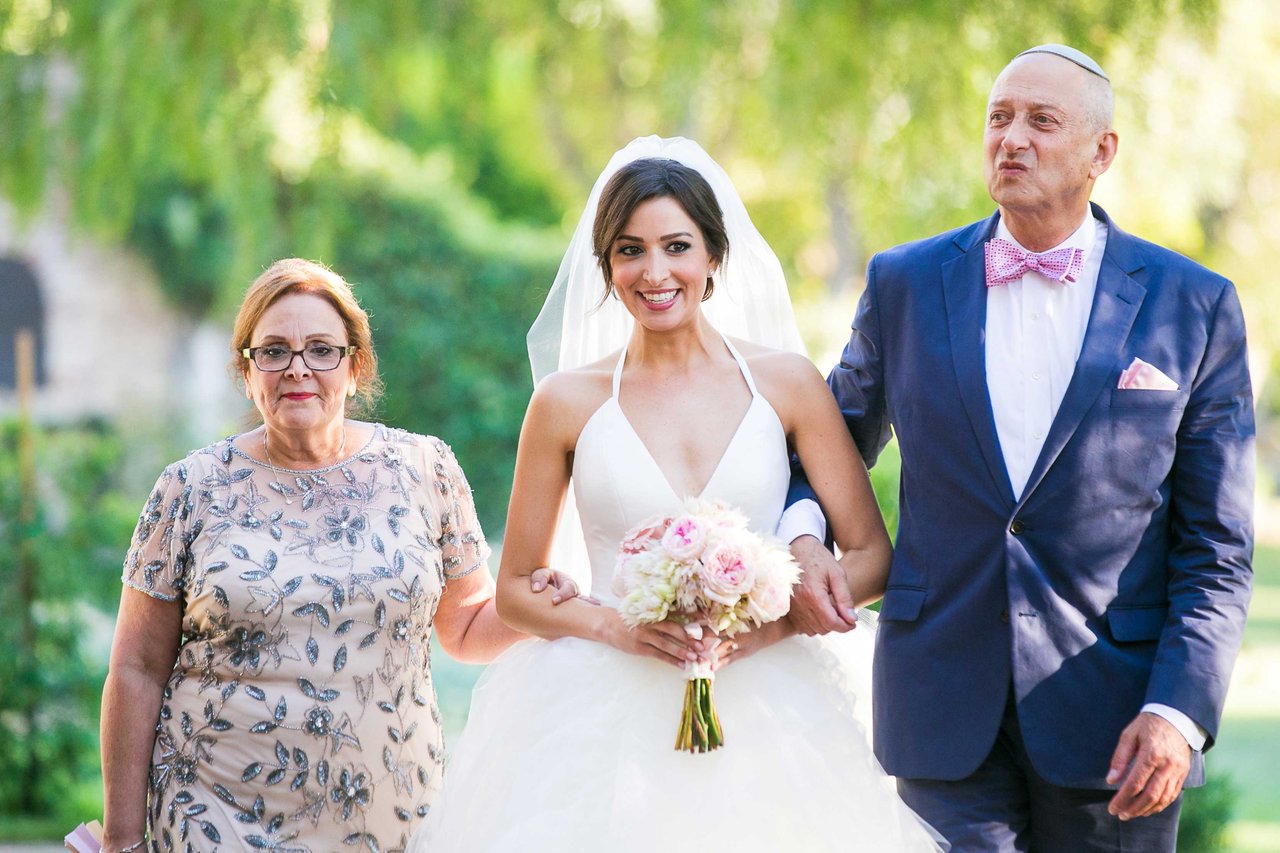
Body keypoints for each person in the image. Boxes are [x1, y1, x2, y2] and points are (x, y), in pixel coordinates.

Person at [408, 137, 945, 852]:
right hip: (595, 710)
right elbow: (514, 590)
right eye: (629, 250)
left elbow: (873, 556)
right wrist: (613, 626)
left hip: (770, 703)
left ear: (714, 257)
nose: (654, 271)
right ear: (606, 266)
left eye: (676, 246)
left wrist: (771, 624)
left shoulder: (785, 384)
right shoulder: (565, 402)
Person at [784, 44, 1254, 851]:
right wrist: (802, 533)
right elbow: (824, 438)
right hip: (941, 707)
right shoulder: (904, 283)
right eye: (999, 118)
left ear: (1102, 151)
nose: (1012, 139)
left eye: (1042, 121)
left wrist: (1178, 711)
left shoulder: (1195, 305)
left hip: (1120, 720)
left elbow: (1217, 545)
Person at [99, 259, 578, 853]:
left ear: (355, 367)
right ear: (247, 372)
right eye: (273, 351)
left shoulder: (426, 470)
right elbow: (136, 669)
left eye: (321, 349)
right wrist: (121, 839)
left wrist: (538, 602)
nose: (297, 368)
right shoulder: (189, 489)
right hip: (215, 812)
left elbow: (464, 627)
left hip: (392, 814)